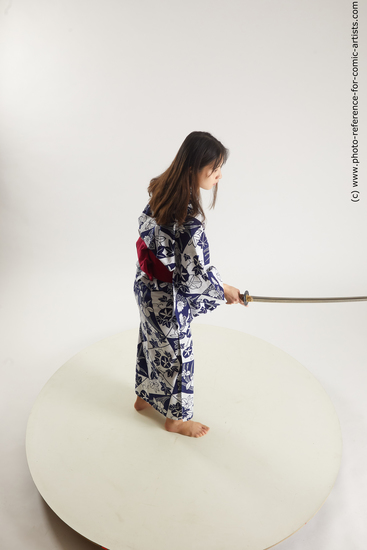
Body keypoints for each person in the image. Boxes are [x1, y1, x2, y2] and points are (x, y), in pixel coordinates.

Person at [133, 131, 245, 438]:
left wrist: (218, 284)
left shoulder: (159, 193)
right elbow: (194, 276)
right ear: (194, 168)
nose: (219, 175)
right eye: (214, 168)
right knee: (179, 355)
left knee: (151, 341)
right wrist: (223, 290)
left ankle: (145, 395)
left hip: (146, 287)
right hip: (168, 299)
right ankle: (177, 419)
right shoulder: (189, 220)